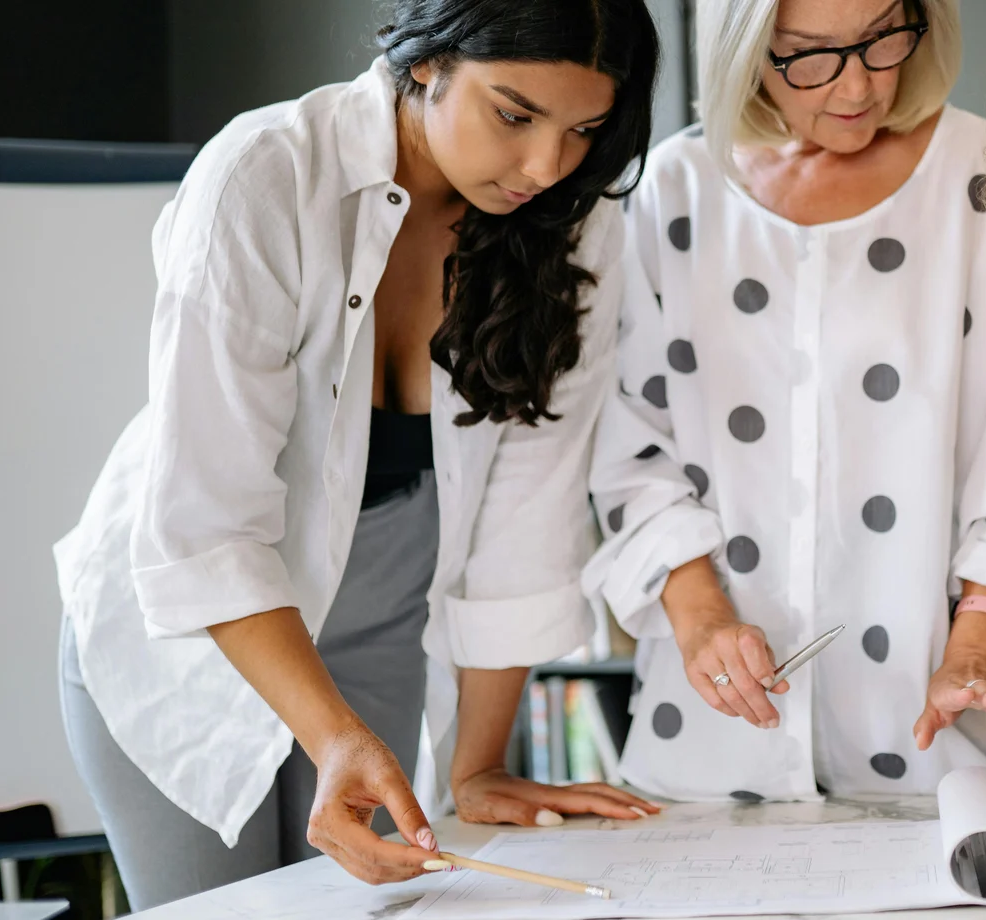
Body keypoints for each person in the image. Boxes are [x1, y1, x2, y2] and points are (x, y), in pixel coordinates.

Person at [53, 0, 662, 908]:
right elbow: (207, 524)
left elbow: (527, 513)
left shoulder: (572, 224)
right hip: (201, 641)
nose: (547, 165)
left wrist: (481, 764)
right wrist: (330, 733)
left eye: (583, 130)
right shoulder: (264, 177)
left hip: (384, 625)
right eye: (513, 114)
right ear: (427, 63)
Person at [581, 0, 986, 802]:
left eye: (881, 39)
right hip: (710, 737)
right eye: (809, 55)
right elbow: (626, 440)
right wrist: (699, 617)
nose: (859, 84)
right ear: (746, 50)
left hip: (934, 728)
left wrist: (977, 641)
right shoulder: (667, 194)